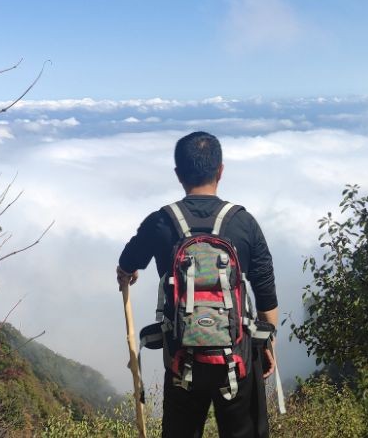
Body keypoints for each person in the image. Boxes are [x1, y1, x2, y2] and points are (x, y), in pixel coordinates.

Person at [117, 131, 279, 438]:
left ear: (178, 174)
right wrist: (268, 342)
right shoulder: (244, 222)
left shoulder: (160, 222)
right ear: (221, 170)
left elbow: (127, 260)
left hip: (182, 359)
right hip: (238, 356)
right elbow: (265, 289)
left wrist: (127, 272)